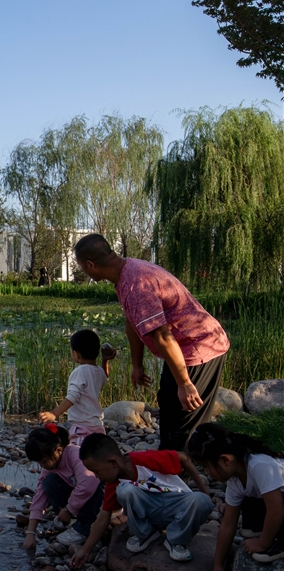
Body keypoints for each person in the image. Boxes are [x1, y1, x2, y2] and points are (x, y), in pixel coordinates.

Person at [73, 233, 229, 451]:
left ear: (90, 265)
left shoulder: (136, 284)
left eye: (81, 267)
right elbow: (132, 321)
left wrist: (184, 383)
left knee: (184, 423)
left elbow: (163, 336)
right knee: (167, 406)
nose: (83, 271)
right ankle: (170, 465)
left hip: (199, 346)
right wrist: (137, 364)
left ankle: (181, 476)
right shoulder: (125, 274)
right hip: (180, 349)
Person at [71, 433, 212, 567]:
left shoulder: (145, 459)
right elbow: (103, 517)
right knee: (125, 490)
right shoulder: (113, 484)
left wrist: (205, 492)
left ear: (113, 462)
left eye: (97, 471)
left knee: (202, 501)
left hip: (175, 508)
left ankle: (176, 540)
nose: (96, 476)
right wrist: (85, 550)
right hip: (152, 517)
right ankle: (146, 533)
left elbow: (183, 458)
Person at [188, 423, 284, 567]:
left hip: (281, 504)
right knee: (245, 500)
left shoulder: (260, 465)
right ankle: (263, 530)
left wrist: (262, 543)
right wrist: (218, 564)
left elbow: (276, 511)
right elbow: (228, 524)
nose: (206, 472)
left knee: (275, 501)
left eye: (206, 466)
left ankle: (278, 544)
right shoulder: (235, 481)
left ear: (225, 460)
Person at [23, 424, 104, 549]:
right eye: (39, 463)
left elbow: (88, 484)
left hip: (102, 497)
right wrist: (30, 532)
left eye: (44, 462)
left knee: (95, 484)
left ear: (59, 450)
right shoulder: (51, 466)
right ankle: (72, 520)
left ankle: (82, 529)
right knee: (48, 482)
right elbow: (40, 495)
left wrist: (68, 509)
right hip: (80, 499)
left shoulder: (75, 454)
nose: (42, 466)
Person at [38, 330, 116, 446]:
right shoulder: (98, 371)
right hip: (97, 425)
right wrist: (105, 360)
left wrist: (54, 414)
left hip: (82, 426)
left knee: (79, 455)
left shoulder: (80, 371)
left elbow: (73, 396)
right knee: (96, 455)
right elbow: (105, 376)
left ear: (76, 354)